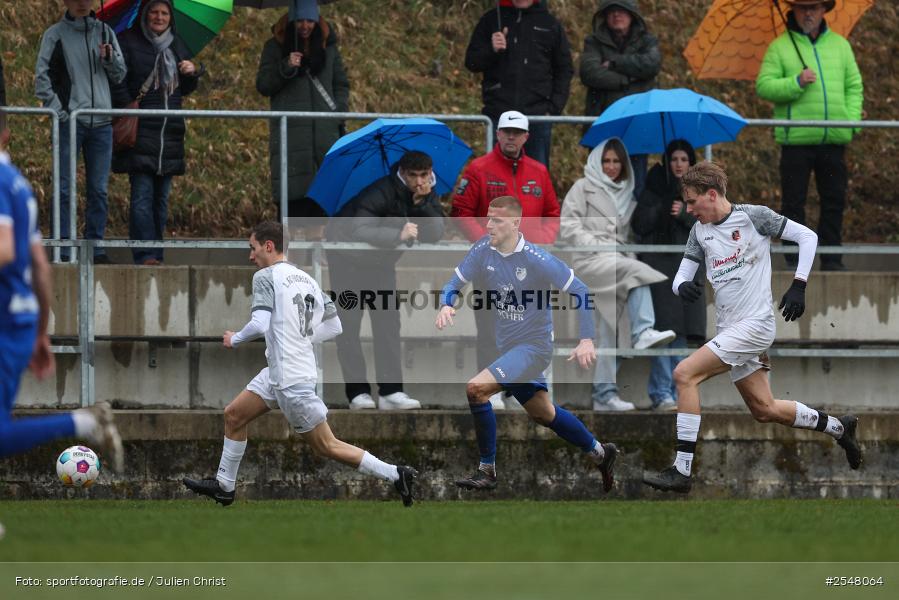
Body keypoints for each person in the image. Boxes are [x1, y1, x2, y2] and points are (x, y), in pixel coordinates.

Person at [642, 162, 861, 494]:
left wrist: (799, 284)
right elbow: (680, 278)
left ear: (711, 194)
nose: (688, 209)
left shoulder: (753, 217)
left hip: (755, 327)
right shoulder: (699, 231)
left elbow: (808, 236)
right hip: (730, 330)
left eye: (691, 202)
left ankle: (682, 471)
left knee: (684, 374)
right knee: (764, 409)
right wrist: (682, 287)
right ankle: (839, 428)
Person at [183, 221, 418, 507]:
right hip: (279, 371)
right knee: (234, 415)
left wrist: (235, 339)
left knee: (326, 445)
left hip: (290, 379)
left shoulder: (265, 277)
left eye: (252, 248)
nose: (250, 255)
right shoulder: (306, 279)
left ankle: (396, 474)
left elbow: (260, 323)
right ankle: (224, 486)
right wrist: (302, 339)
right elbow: (335, 327)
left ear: (268, 246)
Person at [436, 195, 618, 491]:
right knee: (544, 414)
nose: (488, 225)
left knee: (476, 389)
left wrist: (587, 339)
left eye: (496, 220)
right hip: (509, 350)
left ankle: (487, 470)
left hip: (533, 349)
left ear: (516, 223)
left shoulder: (537, 259)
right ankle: (600, 453)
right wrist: (446, 304)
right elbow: (454, 283)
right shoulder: (483, 249)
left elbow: (582, 291)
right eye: (487, 218)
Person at [0, 107, 123, 476]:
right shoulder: (19, 186)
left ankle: (85, 424)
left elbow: (4, 248)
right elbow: (39, 264)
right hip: (19, 323)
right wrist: (39, 331)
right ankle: (85, 424)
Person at [450, 110, 560, 410]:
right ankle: (491, 389)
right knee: (489, 328)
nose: (511, 137)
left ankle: (523, 391)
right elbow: (461, 210)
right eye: (506, 132)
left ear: (526, 137)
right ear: (497, 134)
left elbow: (552, 212)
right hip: (491, 268)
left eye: (517, 132)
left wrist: (543, 242)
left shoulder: (538, 171)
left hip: (530, 268)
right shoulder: (479, 168)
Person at [560, 138, 675, 411]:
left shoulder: (628, 193)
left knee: (610, 327)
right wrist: (595, 243)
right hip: (590, 262)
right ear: (597, 162)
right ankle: (644, 329)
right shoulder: (583, 188)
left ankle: (604, 394)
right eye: (606, 161)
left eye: (616, 162)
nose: (611, 167)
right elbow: (567, 225)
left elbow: (630, 234)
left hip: (617, 264)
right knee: (638, 271)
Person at [325, 151, 444, 410]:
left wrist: (422, 204)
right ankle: (357, 393)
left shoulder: (427, 192)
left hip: (380, 262)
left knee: (388, 324)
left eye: (424, 175)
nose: (420, 181)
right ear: (402, 173)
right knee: (349, 325)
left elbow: (436, 232)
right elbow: (360, 228)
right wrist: (397, 233)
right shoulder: (380, 190)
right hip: (347, 258)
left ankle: (391, 392)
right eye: (413, 176)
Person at [756, 0, 863, 271]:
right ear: (793, 10)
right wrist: (796, 82)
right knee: (793, 204)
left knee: (834, 201)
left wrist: (850, 123)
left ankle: (831, 259)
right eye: (803, 8)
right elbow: (764, 86)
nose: (808, 13)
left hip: (834, 140)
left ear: (823, 10)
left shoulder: (841, 46)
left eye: (814, 7)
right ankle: (794, 260)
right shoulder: (779, 47)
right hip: (796, 141)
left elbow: (854, 86)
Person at [35, 0, 127, 264]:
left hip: (102, 125)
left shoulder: (106, 32)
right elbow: (41, 79)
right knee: (64, 188)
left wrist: (109, 58)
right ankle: (63, 247)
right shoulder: (54, 35)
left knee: (98, 190)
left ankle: (94, 247)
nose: (81, 3)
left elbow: (120, 74)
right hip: (70, 123)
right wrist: (61, 112)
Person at [111, 0, 202, 265]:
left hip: (170, 132)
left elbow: (184, 89)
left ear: (170, 18)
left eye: (164, 13)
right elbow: (118, 81)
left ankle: (157, 254)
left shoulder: (177, 44)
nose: (159, 17)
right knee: (141, 198)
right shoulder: (128, 41)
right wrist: (129, 107)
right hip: (141, 130)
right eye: (154, 12)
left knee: (160, 203)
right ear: (144, 14)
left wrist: (192, 73)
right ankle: (144, 254)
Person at [256, 0, 349, 230]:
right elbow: (263, 85)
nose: (305, 26)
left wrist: (338, 113)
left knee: (324, 197)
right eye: (300, 20)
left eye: (310, 20)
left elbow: (341, 84)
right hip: (291, 135)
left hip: (324, 136)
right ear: (291, 21)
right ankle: (289, 257)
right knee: (293, 196)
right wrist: (285, 66)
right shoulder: (274, 47)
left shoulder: (329, 49)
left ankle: (318, 260)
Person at [632, 140, 706, 411]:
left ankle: (680, 393)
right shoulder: (653, 186)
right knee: (664, 330)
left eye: (684, 159)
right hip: (660, 269)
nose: (678, 164)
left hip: (687, 268)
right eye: (674, 159)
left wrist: (685, 215)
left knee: (683, 333)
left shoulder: (698, 191)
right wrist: (664, 207)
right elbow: (639, 224)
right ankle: (661, 392)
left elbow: (709, 225)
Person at [464, 0, 573, 167]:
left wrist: (553, 109)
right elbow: (472, 62)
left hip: (537, 118)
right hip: (498, 115)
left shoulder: (550, 24)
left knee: (535, 179)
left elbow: (564, 69)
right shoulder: (491, 20)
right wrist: (491, 49)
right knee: (496, 176)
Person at [579, 0, 660, 199]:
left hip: (637, 124)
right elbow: (590, 73)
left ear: (632, 15)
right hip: (603, 122)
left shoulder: (647, 41)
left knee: (636, 184)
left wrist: (615, 62)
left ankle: (633, 230)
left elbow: (651, 64)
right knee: (599, 185)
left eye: (622, 11)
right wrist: (627, 80)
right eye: (612, 11)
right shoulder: (593, 42)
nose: (617, 15)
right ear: (605, 16)